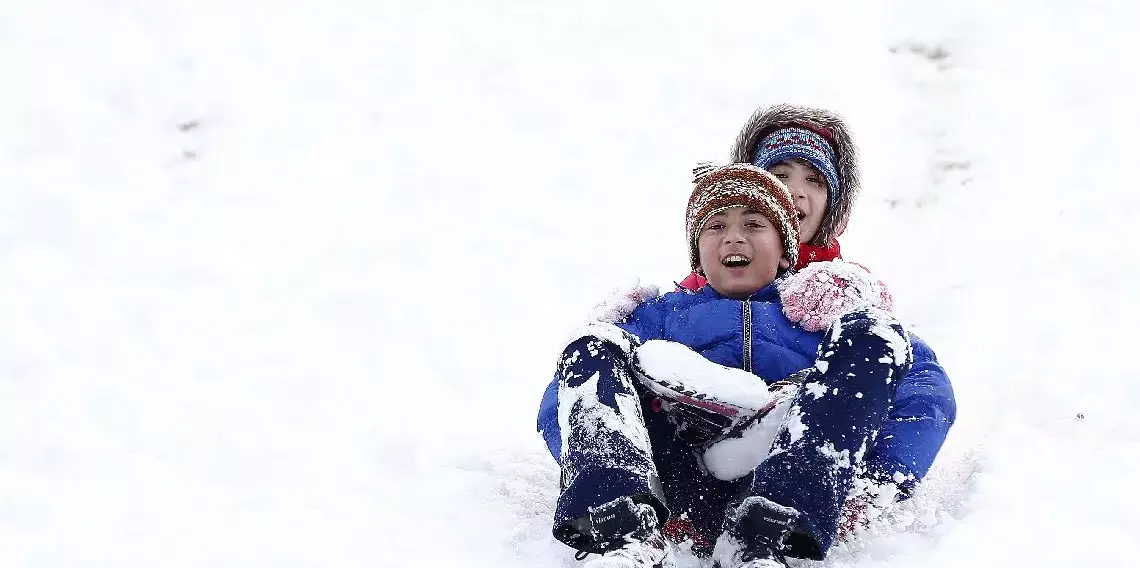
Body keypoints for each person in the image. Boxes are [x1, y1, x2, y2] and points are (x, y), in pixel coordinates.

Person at [537, 164, 955, 567]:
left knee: (876, 332)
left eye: (754, 225)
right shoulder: (661, 315)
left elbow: (923, 389)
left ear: (787, 252)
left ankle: (766, 530)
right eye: (716, 226)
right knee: (593, 342)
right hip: (678, 475)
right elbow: (564, 399)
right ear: (697, 255)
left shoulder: (818, 313)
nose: (734, 238)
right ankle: (623, 526)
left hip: (782, 472)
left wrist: (878, 481)